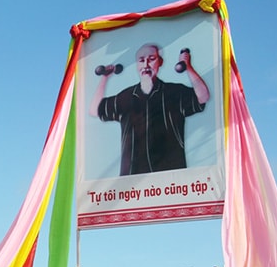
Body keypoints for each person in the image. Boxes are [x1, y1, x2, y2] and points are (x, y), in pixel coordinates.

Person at [90, 44, 210, 175]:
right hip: (132, 183)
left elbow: (203, 97)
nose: (146, 64)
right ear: (137, 65)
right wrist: (105, 78)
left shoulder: (174, 92)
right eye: (141, 60)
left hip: (172, 181)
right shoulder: (125, 97)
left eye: (151, 59)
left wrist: (188, 67)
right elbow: (95, 110)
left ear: (160, 62)